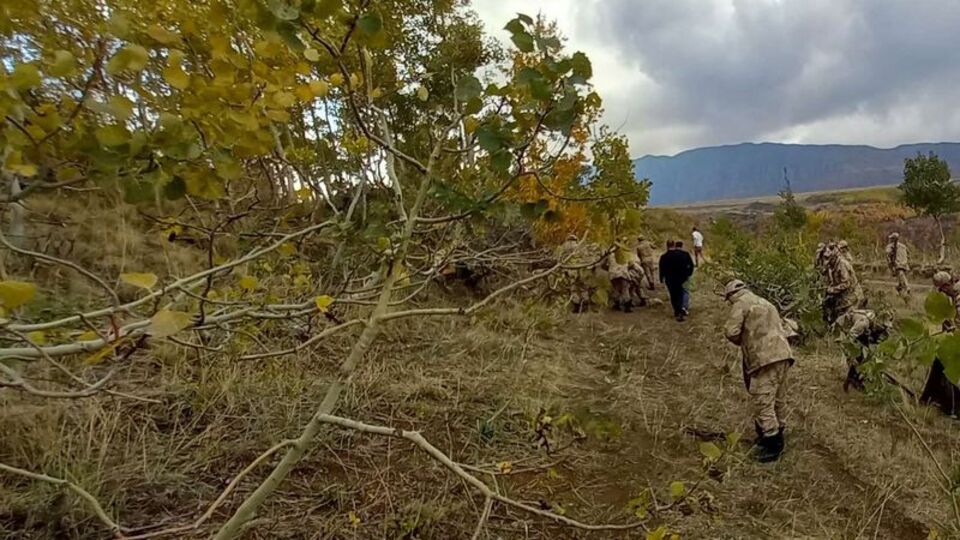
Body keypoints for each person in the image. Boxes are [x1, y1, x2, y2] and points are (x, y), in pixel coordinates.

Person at [723, 279, 794, 463]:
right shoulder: (766, 302)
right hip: (784, 354)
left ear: (731, 295)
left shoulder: (741, 303)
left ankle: (772, 444)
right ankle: (779, 431)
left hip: (764, 359)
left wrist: (745, 341)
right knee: (779, 398)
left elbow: (731, 331)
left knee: (763, 401)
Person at [921, 271, 960, 416]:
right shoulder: (953, 295)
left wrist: (954, 330)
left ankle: (953, 408)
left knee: (950, 371)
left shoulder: (958, 295)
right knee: (939, 364)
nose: (942, 292)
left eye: (943, 289)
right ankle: (929, 398)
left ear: (948, 284)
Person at [834, 309, 889, 391]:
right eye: (881, 327)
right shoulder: (863, 323)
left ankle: (854, 378)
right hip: (844, 329)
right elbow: (849, 339)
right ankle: (853, 379)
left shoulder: (873, 320)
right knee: (858, 357)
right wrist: (850, 356)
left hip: (855, 330)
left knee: (865, 355)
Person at [823, 244, 864, 324]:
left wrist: (832, 289)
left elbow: (846, 283)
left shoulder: (842, 264)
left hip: (853, 297)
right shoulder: (833, 266)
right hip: (845, 298)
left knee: (848, 321)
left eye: (828, 258)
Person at [659, 239, 695, 321]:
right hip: (682, 278)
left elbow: (662, 269)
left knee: (673, 295)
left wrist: (661, 278)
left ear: (667, 246)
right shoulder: (683, 254)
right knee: (681, 293)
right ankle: (681, 309)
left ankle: (677, 310)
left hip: (670, 279)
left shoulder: (664, 257)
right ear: (674, 245)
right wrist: (688, 274)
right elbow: (690, 265)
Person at [558, 234, 593, 313]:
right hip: (581, 269)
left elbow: (561, 259)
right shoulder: (580, 247)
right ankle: (585, 304)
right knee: (583, 287)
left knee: (573, 288)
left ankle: (576, 306)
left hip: (570, 270)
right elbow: (586, 258)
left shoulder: (564, 247)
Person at [885, 232, 910, 297]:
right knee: (900, 281)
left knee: (902, 278)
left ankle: (906, 288)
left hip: (898, 264)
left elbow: (887, 255)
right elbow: (908, 254)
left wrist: (890, 265)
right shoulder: (903, 246)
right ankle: (900, 293)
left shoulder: (890, 246)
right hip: (904, 264)